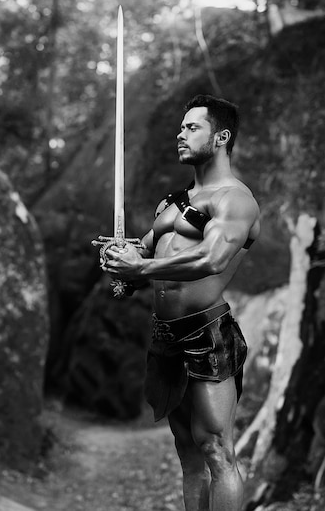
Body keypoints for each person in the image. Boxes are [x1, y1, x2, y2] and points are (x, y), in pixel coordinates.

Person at [102, 94, 260, 511]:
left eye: (192, 127)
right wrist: (123, 266)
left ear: (221, 137)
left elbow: (212, 258)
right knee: (188, 454)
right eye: (180, 127)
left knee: (216, 451)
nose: (180, 134)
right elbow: (147, 256)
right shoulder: (172, 203)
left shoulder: (234, 200)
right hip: (166, 335)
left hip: (207, 334)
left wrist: (140, 269)